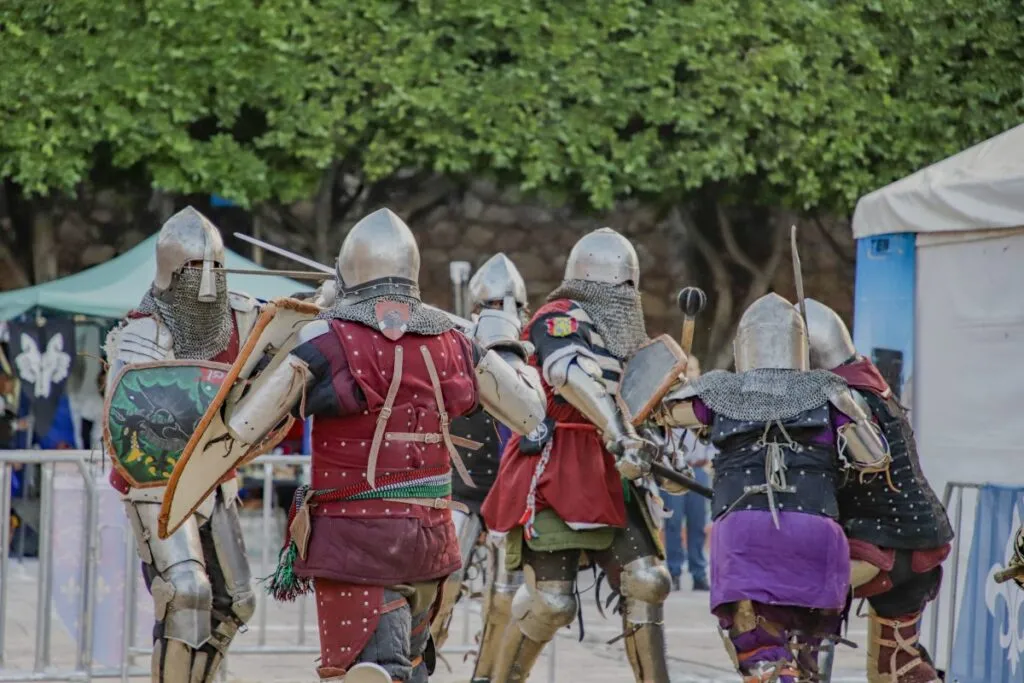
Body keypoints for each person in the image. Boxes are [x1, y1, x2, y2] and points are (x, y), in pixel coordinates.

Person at [212, 208, 547, 683]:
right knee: (409, 670)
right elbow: (530, 411)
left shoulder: (326, 338)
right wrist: (504, 343)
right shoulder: (454, 341)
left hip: (357, 547)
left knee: (376, 674)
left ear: (348, 271)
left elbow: (245, 424)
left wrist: (287, 331)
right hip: (432, 542)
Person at [658, 292, 892, 683]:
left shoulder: (717, 392)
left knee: (761, 656)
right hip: (814, 530)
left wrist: (677, 387)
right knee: (807, 658)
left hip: (745, 531)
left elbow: (660, 413)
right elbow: (874, 457)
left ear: (743, 345)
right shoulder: (831, 392)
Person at [482, 227, 678, 683]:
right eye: (621, 285)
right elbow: (567, 372)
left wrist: (660, 443)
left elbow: (641, 400)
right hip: (558, 463)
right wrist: (619, 434)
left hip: (613, 472)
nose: (626, 295)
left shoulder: (629, 337)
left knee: (648, 581)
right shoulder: (559, 317)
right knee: (552, 603)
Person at [103, 207, 260, 682]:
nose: (209, 281)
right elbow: (127, 417)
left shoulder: (239, 319)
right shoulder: (143, 333)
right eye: (197, 269)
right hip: (159, 484)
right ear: (172, 271)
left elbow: (291, 339)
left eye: (215, 268)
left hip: (214, 477)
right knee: (187, 593)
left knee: (237, 602)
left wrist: (334, 300)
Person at [804, 298, 952, 683]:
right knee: (893, 670)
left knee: (790, 594)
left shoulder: (843, 398)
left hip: (889, 542)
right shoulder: (867, 385)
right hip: (911, 536)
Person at [430, 253, 530, 682]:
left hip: (514, 492)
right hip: (462, 488)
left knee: (508, 597)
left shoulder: (538, 353)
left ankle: (490, 677)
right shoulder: (451, 346)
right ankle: (417, 663)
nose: (500, 313)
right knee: (443, 579)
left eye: (507, 305)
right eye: (491, 305)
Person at [660, 356, 713, 592]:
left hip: (699, 469)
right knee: (673, 524)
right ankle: (673, 571)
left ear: (698, 372)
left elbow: (714, 435)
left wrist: (711, 458)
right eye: (685, 369)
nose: (689, 373)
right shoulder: (668, 400)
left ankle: (699, 572)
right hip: (674, 470)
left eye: (692, 369)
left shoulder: (707, 401)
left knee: (698, 524)